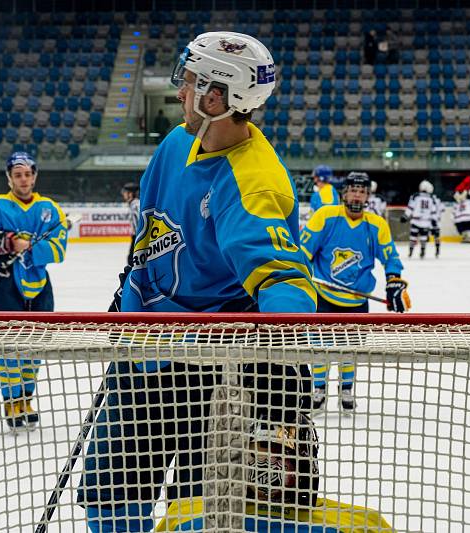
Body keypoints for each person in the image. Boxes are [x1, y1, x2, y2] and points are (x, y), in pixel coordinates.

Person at [77, 31, 317, 533]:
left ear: (216, 97)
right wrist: (130, 295)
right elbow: (147, 235)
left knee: (199, 508)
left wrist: (284, 370)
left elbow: (284, 280)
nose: (179, 92)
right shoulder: (175, 143)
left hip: (206, 370)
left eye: (188, 84)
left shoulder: (253, 179)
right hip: (141, 349)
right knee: (108, 492)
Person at [0, 152, 68, 431]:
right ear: (9, 177)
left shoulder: (49, 208)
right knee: (8, 347)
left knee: (35, 348)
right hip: (5, 286)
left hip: (40, 287)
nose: (23, 179)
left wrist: (28, 249)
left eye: (28, 174)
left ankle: (26, 399)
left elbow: (59, 248)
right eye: (17, 174)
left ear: (35, 176)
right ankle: (11, 402)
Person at [154, 413, 392, 531]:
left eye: (277, 455)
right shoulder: (361, 524)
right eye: (259, 454)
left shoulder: (186, 515)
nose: (267, 464)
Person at [300, 171, 409, 412]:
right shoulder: (325, 217)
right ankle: (319, 388)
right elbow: (303, 252)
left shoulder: (376, 225)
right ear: (344, 193)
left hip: (357, 300)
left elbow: (390, 257)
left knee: (349, 349)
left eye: (362, 191)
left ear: (368, 195)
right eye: (353, 190)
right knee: (320, 347)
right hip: (325, 296)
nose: (357, 196)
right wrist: (302, 275)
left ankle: (346, 388)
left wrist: (393, 280)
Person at [403, 180, 441, 257]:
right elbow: (433, 211)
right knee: (423, 237)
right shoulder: (431, 198)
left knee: (413, 237)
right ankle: (422, 251)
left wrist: (405, 216)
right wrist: (434, 222)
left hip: (415, 221)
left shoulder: (415, 196)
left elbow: (410, 207)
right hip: (426, 222)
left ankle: (411, 251)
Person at [120, 182, 139, 265]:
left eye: (125, 193)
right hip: (137, 236)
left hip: (139, 237)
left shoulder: (136, 205)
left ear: (130, 194)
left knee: (132, 260)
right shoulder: (133, 204)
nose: (123, 195)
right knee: (131, 259)